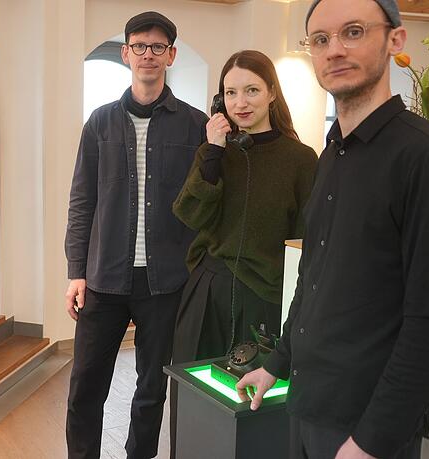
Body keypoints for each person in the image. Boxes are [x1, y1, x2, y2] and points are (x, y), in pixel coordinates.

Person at [237, 1, 429, 458]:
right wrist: (276, 364)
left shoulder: (428, 157)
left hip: (364, 425)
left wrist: (371, 441)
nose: (334, 50)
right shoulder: (332, 153)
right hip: (307, 404)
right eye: (321, 40)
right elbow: (313, 278)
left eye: (353, 32)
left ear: (395, 39)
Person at [64, 11, 208, 459]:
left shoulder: (195, 125)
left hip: (166, 282)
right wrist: (75, 272)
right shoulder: (100, 123)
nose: (149, 54)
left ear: (171, 55)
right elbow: (82, 201)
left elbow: (205, 204)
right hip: (104, 277)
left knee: (151, 391)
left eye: (158, 47)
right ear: (126, 53)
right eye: (140, 46)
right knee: (85, 388)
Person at [169, 50, 317, 455]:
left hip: (265, 296)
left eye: (251, 90)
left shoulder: (301, 159)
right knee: (195, 398)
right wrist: (213, 152)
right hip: (209, 289)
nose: (240, 102)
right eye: (230, 93)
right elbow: (189, 213)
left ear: (271, 93)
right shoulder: (215, 151)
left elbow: (306, 241)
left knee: (255, 407)